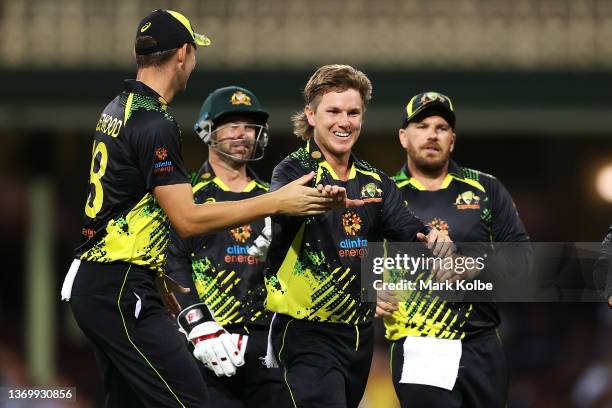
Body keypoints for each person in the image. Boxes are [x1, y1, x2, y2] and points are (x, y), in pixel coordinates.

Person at [61, 10, 347, 408]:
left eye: (249, 125)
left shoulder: (119, 107)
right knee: (191, 400)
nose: (240, 133)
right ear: (183, 54)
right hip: (122, 286)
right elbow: (187, 220)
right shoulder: (154, 121)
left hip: (104, 282)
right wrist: (278, 201)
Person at [264, 65, 453, 408]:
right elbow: (282, 209)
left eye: (353, 112)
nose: (344, 121)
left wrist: (431, 236)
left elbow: (407, 226)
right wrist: (317, 201)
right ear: (310, 115)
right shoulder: (293, 170)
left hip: (359, 336)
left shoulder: (375, 181)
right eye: (333, 111)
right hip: (306, 331)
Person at [381, 91, 531, 407]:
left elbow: (524, 262)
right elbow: (354, 261)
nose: (432, 134)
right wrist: (371, 293)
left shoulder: (486, 188)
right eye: (421, 125)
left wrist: (472, 265)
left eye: (441, 127)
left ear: (453, 140)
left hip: (482, 342)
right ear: (403, 137)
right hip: (419, 342)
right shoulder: (384, 195)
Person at [165, 85, 291, 407]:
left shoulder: (274, 197)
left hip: (265, 345)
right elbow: (169, 261)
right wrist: (198, 323)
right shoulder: (187, 196)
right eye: (231, 124)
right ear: (208, 131)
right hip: (205, 343)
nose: (242, 133)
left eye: (249, 125)